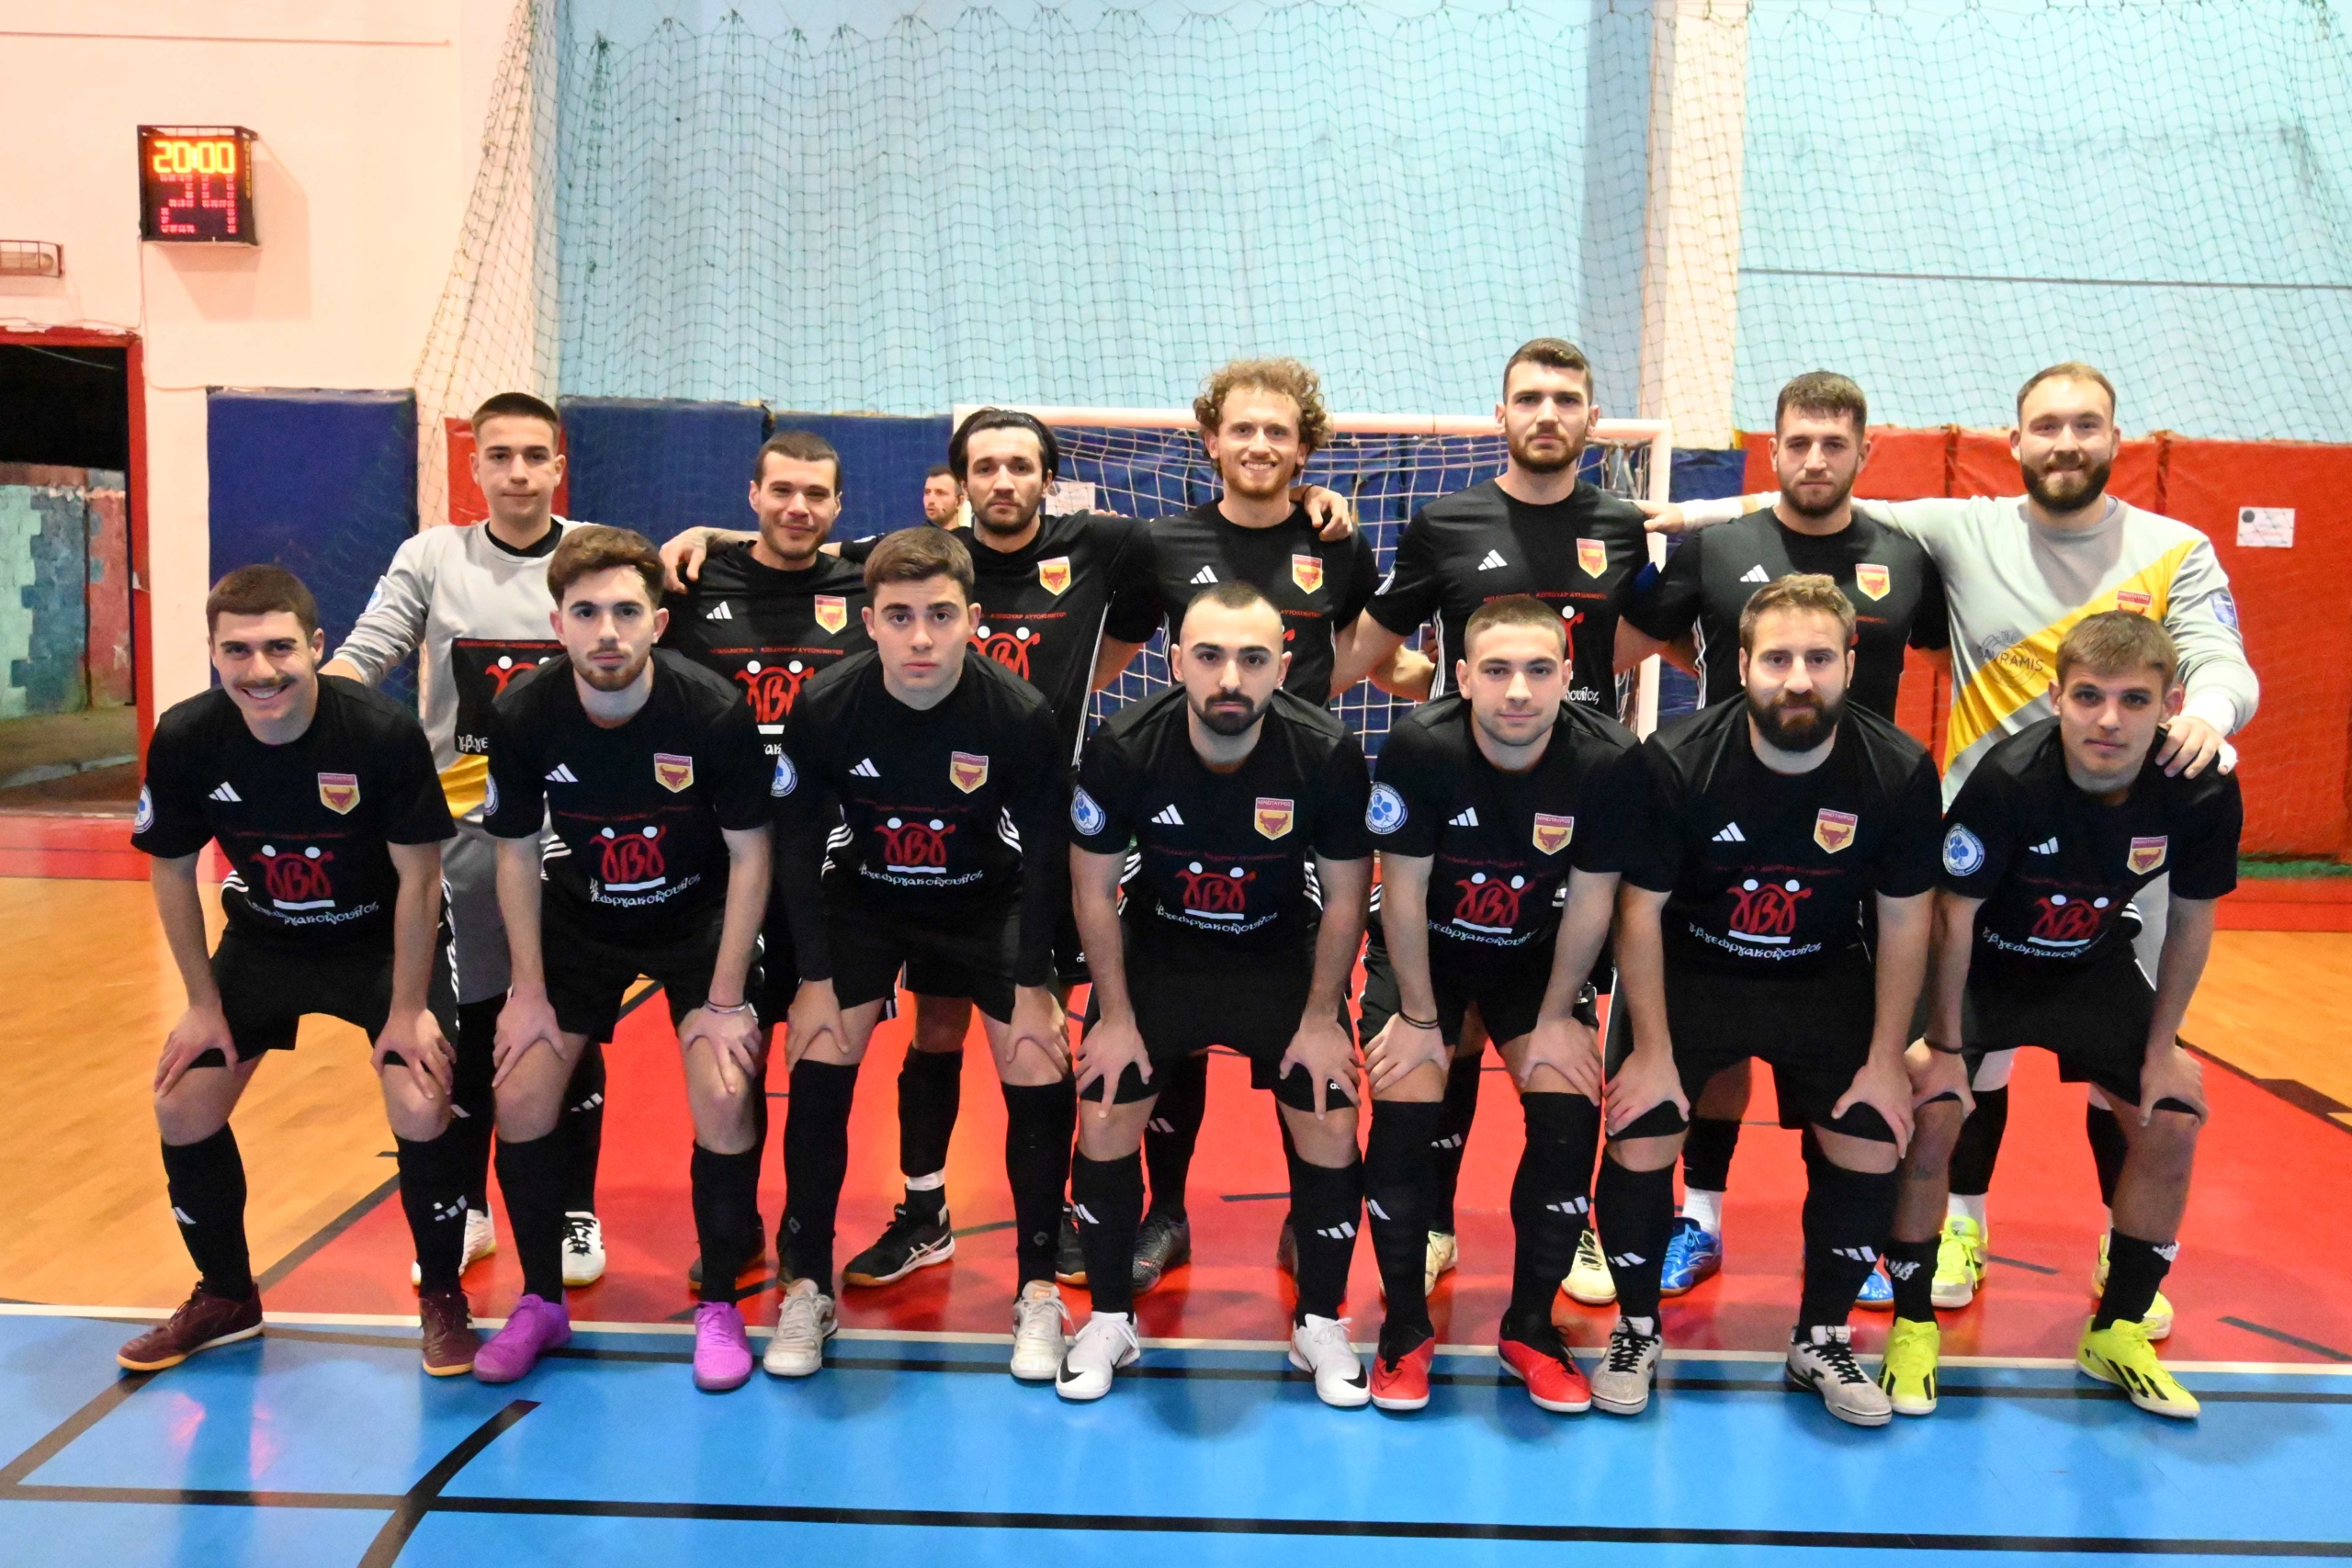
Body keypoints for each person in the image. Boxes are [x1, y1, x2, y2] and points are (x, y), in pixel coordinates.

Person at [1646, 362, 2256, 1324]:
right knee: (1963, 1064)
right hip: (1985, 842)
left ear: (2116, 438)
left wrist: (2208, 714)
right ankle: (1959, 1223)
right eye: (2046, 426)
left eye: (2084, 425)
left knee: (2134, 1073)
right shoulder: (1964, 529)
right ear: (2014, 442)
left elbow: (2221, 658)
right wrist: (1697, 512)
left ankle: (2124, 1249)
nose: (2065, 442)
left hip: (2118, 851)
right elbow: (1817, 495)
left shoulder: (2175, 548)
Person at [1332, 336, 1653, 1309]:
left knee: (1559, 1041)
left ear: (1593, 418)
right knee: (1449, 1029)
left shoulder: (1623, 526)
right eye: (1530, 398)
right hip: (1466, 800)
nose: (1548, 413)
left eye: (1566, 398)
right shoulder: (1445, 523)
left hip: (1570, 809)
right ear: (1501, 414)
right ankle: (1431, 1219)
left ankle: (1572, 1222)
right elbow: (1370, 646)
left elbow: (1657, 636)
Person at [1615, 370, 1949, 1303]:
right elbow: (1631, 644)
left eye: (1834, 444)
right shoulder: (1719, 549)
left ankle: (1851, 1247)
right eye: (1798, 442)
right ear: (1772, 449)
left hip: (1853, 839)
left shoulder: (1905, 557)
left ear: (1864, 451)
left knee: (1854, 1060)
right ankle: (1701, 1216)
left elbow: (1940, 650)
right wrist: (1722, 678)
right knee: (1714, 1050)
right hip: (1726, 826)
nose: (1814, 459)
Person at [1595, 574, 1941, 1427]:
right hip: (1693, 971)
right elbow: (1638, 912)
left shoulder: (1898, 768)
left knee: (1871, 1132)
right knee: (1641, 1124)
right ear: (1742, 663)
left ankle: (1821, 1336)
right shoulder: (1677, 757)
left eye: (1819, 658)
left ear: (1850, 661)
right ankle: (1635, 1328)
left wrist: (1886, 1058)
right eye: (1778, 658)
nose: (1798, 679)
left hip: (1822, 972)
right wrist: (1652, 1051)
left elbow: (1906, 920)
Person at [1882, 613, 2238, 1419]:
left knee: (2172, 1115)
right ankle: (1912, 1324)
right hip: (1985, 964)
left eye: (2133, 699)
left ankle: (2118, 1331)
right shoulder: (2010, 778)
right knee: (1933, 1109)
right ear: (2056, 697)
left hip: (2089, 965)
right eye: (2088, 696)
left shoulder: (2201, 786)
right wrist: (1944, 1045)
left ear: (2169, 705)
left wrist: (2163, 1046)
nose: (2108, 719)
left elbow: (2193, 917)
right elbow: (1951, 917)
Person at [121, 567, 472, 1375]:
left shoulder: (379, 733)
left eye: (279, 647)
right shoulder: (187, 736)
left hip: (379, 944)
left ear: (316, 645)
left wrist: (408, 1008)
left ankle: (443, 1294)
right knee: (181, 1101)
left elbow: (421, 878)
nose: (260, 670)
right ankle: (227, 1295)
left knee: (420, 1094)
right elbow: (171, 869)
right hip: (266, 942)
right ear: (213, 653)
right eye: (237, 651)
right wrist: (200, 1005)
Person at [770, 527, 1075, 1383]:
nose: (921, 636)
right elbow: (795, 848)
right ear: (868, 621)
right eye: (899, 616)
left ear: (973, 619)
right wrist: (814, 979)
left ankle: (1039, 1288)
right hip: (868, 897)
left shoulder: (1019, 713)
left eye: (940, 615)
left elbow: (1049, 856)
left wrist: (1034, 981)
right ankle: (806, 1286)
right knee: (819, 1048)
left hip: (985, 899)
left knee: (1034, 1054)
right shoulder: (826, 705)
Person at [473, 527, 775, 1392]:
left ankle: (720, 1305)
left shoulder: (709, 709)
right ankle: (541, 1301)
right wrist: (527, 990)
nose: (607, 631)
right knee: (519, 1090)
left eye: (626, 612)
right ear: (557, 623)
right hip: (581, 918)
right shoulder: (522, 712)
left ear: (658, 622)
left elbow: (751, 853)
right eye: (586, 612)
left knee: (725, 1089)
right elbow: (514, 853)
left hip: (695, 916)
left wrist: (725, 999)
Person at [1061, 581, 1374, 1405]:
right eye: (1209, 656)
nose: (1230, 677)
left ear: (1282, 668)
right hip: (1161, 953)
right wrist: (1115, 1016)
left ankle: (1320, 1322)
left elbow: (1347, 897)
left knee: (1330, 1112)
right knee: (1103, 1107)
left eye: (1252, 658)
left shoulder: (1327, 751)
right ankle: (1109, 1319)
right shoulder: (1125, 745)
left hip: (1279, 956)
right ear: (1176, 662)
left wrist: (1321, 1018)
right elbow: (1093, 889)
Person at [326, 392, 611, 1292]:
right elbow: (366, 653)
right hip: (464, 834)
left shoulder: (595, 550)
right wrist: (307, 706)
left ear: (558, 465)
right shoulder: (432, 556)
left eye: (534, 455)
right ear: (476, 466)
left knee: (569, 1021)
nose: (518, 472)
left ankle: (573, 1207)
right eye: (500, 456)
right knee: (474, 1024)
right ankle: (472, 1204)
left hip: (575, 831)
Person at [1358, 595, 1634, 1413]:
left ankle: (1530, 1328)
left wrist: (1556, 1017)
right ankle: (1404, 1329)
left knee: (1568, 1106)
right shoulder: (1420, 745)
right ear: (1464, 675)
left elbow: (1593, 901)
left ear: (1567, 676)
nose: (1519, 690)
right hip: (1425, 954)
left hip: (1534, 959)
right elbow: (1401, 891)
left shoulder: (1608, 758)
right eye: (1499, 670)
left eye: (1539, 670)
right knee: (1404, 1100)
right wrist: (1419, 1017)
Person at [656, 429, 871, 1292]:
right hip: (719, 872)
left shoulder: (866, 587)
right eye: (781, 490)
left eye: (817, 494)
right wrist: (701, 538)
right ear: (751, 496)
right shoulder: (691, 581)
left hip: (830, 875)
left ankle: (801, 1232)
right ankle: (733, 1225)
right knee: (727, 1059)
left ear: (840, 505)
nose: (798, 507)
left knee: (816, 1063)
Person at [922, 463, 967, 528]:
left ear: (959, 502)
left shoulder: (973, 534)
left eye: (940, 493)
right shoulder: (913, 534)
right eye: (927, 492)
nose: (931, 500)